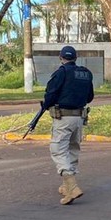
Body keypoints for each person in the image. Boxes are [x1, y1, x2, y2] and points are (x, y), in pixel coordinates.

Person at [43, 45, 95, 205]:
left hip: (63, 118)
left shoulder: (61, 72)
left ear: (61, 58)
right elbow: (90, 97)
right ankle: (66, 186)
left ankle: (72, 186)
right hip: (79, 117)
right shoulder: (85, 73)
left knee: (58, 150)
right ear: (75, 58)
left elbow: (50, 94)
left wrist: (47, 104)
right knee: (73, 149)